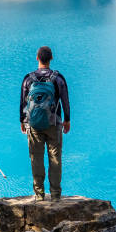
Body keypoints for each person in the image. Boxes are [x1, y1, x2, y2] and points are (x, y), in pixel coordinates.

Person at [20, 46, 70, 201]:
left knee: (36, 158)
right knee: (55, 158)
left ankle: (39, 194)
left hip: (34, 124)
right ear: (51, 58)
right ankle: (55, 195)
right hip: (54, 124)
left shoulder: (28, 79)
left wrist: (22, 121)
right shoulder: (58, 78)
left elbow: (23, 102)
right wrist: (67, 120)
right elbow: (65, 100)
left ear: (37, 58)